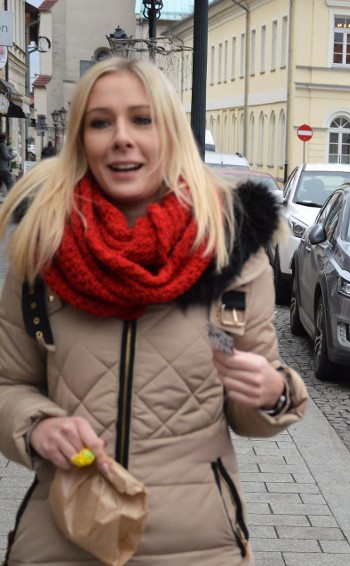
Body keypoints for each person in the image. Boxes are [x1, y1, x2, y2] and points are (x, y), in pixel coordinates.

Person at [0, 57, 309, 564]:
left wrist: (274, 391)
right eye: (101, 122)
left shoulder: (231, 251)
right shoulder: (43, 247)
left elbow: (249, 416)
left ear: (170, 133)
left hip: (199, 545)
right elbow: (8, 385)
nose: (122, 137)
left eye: (142, 119)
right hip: (61, 536)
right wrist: (36, 425)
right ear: (80, 139)